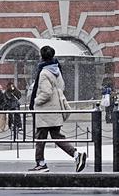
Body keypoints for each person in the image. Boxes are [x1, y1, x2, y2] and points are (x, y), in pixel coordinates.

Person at [28, 45, 86, 173]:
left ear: (42, 56)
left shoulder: (43, 73)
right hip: (55, 109)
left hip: (45, 111)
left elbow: (46, 93)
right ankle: (76, 155)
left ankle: (41, 163)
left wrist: (36, 102)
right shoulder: (56, 70)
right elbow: (62, 87)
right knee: (57, 136)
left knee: (40, 138)